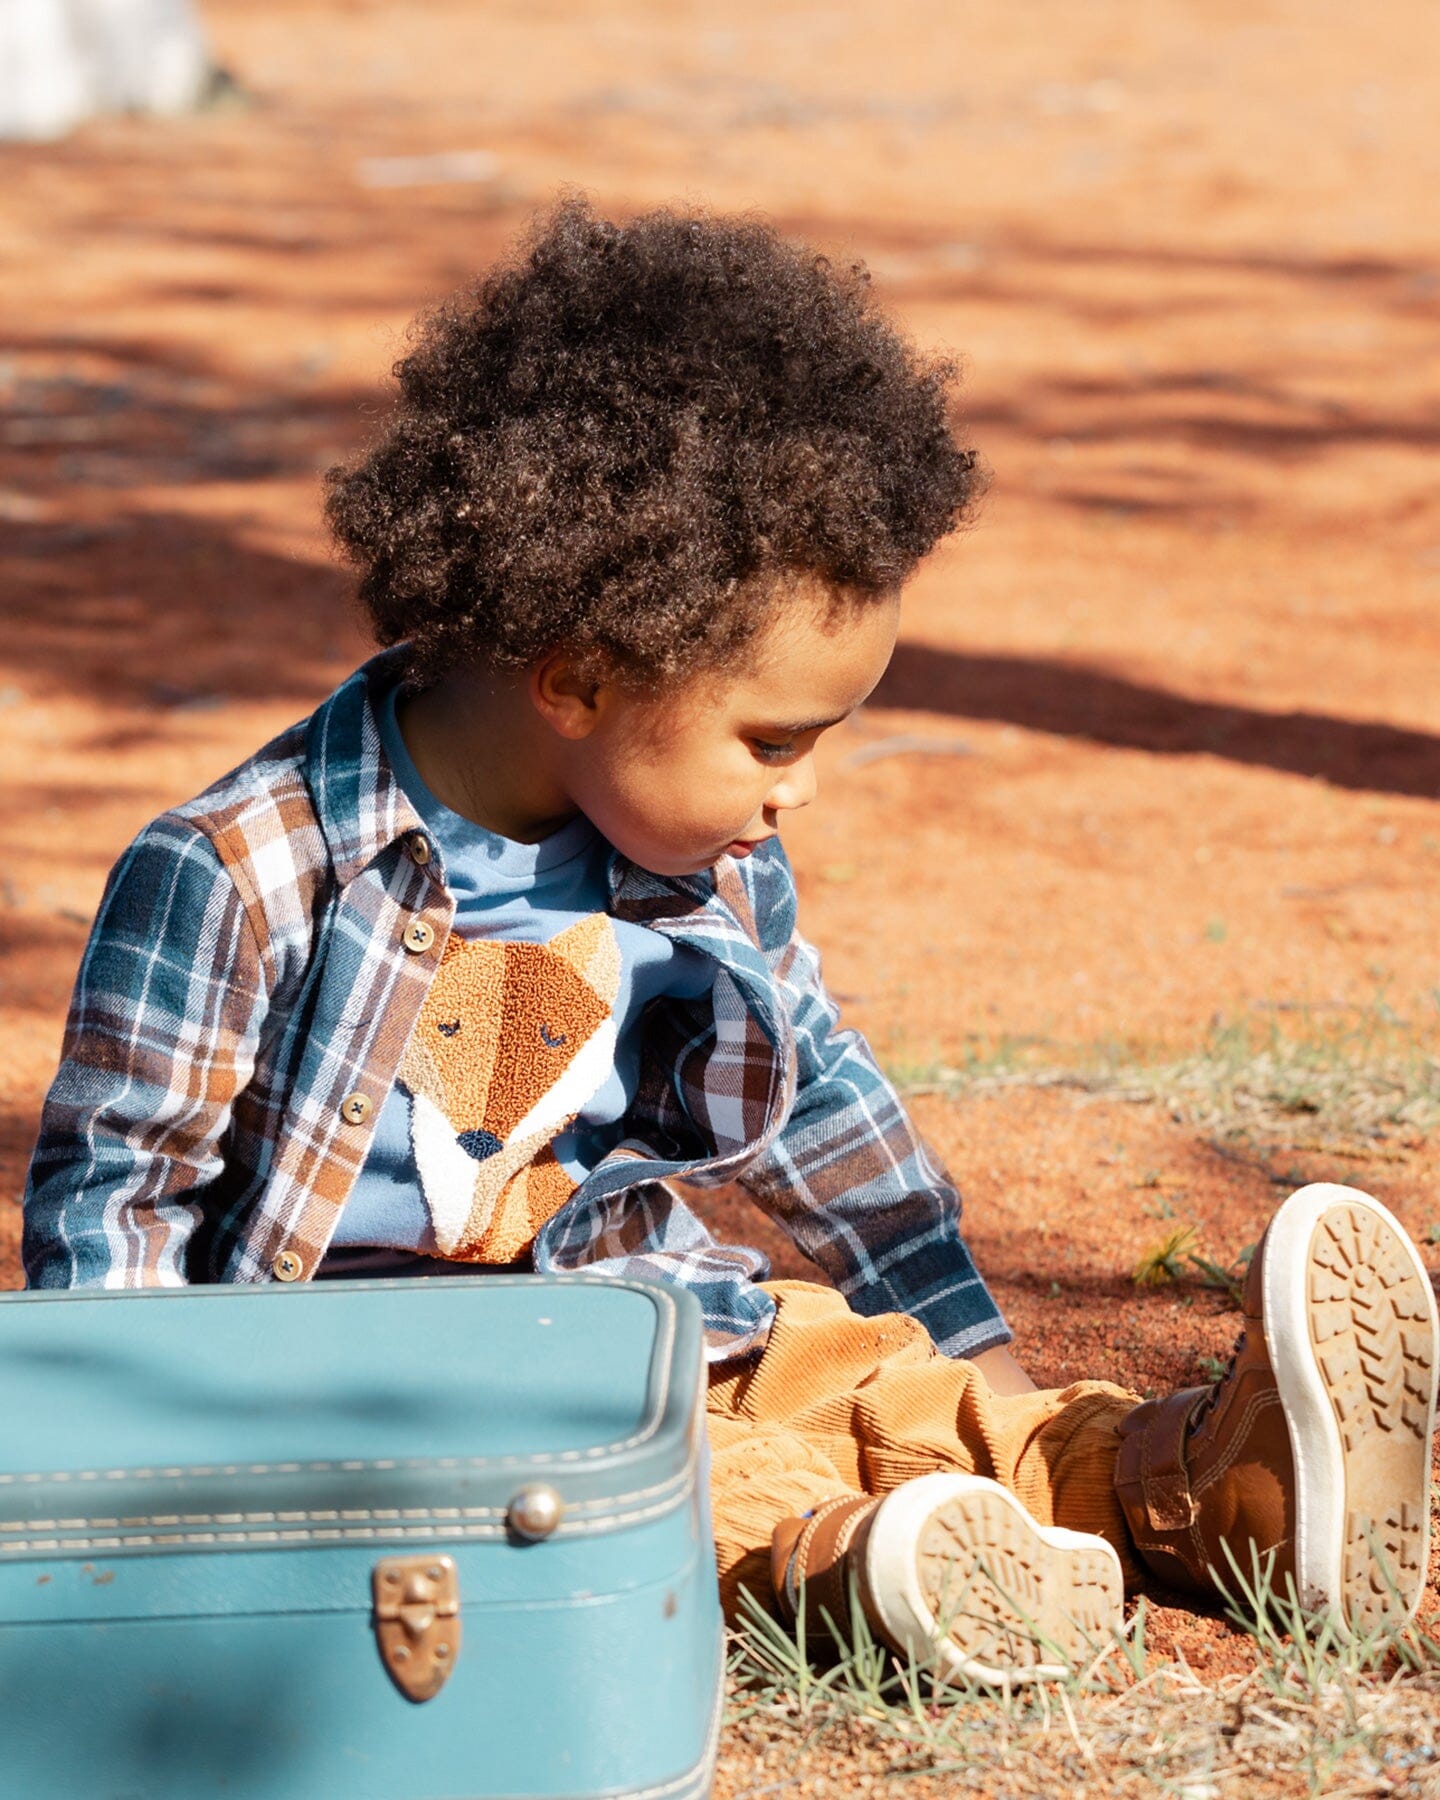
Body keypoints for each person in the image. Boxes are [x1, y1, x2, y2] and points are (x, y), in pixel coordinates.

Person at [23, 200, 1437, 1681]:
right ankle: (852, 1574)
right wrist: (146, 1505)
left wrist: (970, 1351)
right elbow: (119, 1202)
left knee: (853, 1372)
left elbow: (824, 1108)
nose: (802, 786)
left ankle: (1212, 1496)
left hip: (650, 1315)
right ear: (579, 677)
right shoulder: (242, 873)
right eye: (773, 737)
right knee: (651, 1494)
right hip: (389, 1406)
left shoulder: (704, 850)